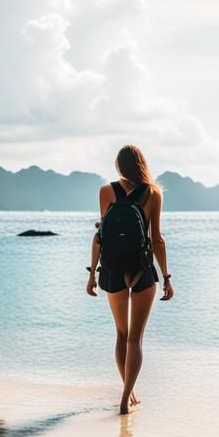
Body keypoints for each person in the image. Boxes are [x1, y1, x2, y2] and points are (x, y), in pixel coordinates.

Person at [86, 144, 173, 414]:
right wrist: (167, 277)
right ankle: (126, 399)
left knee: (121, 335)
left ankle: (128, 391)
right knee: (136, 339)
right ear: (141, 164)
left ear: (118, 166)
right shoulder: (153, 193)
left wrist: (91, 274)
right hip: (142, 268)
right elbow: (155, 238)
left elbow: (101, 234)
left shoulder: (105, 191)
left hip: (112, 268)